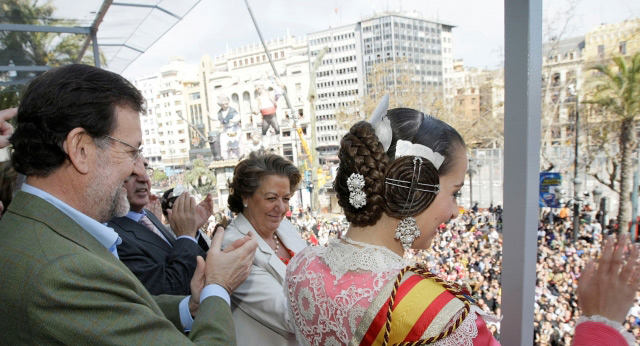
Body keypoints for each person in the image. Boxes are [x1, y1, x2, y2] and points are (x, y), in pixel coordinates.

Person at [285, 97, 640, 345]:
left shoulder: (301, 266)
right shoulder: (439, 318)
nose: (455, 211)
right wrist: (600, 323)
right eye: (454, 192)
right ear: (413, 189)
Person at [0, 64, 258, 344]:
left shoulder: (31, 230)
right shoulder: (65, 270)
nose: (137, 171)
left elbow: (111, 313)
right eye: (131, 152)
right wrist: (218, 287)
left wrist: (191, 306)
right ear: (81, 149)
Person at [222, 152, 307, 345]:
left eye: (286, 198)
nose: (282, 208)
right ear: (245, 197)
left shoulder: (285, 227)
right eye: (271, 198)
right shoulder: (234, 245)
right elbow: (289, 314)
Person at [108, 158, 210, 295]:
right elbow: (169, 289)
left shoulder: (148, 217)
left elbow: (192, 260)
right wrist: (186, 235)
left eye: (145, 169)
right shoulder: (114, 237)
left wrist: (192, 231)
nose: (144, 178)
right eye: (132, 173)